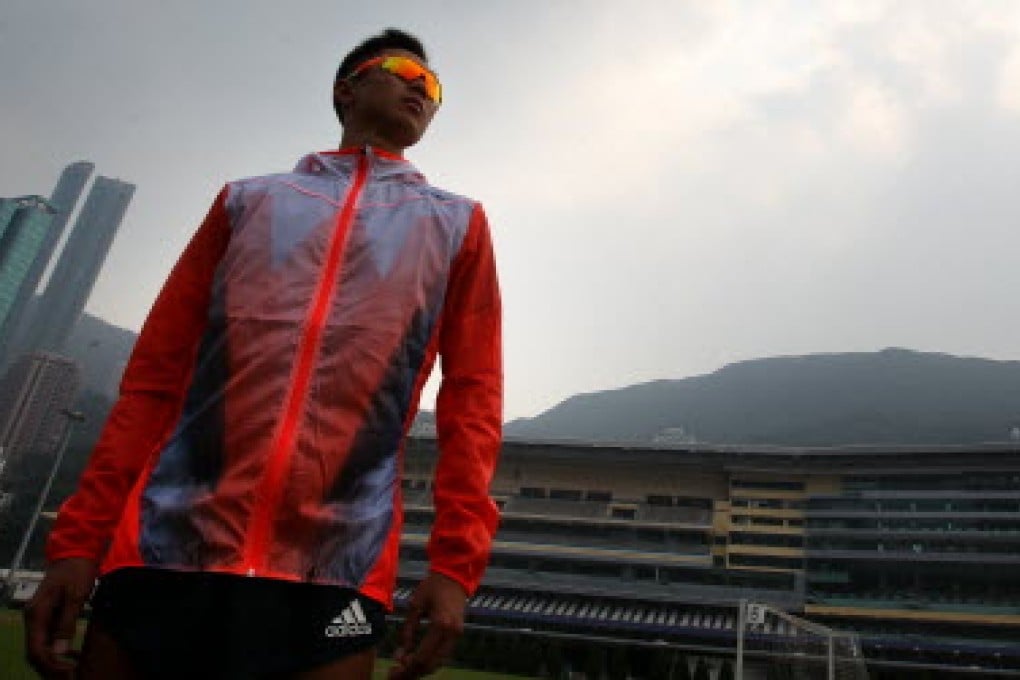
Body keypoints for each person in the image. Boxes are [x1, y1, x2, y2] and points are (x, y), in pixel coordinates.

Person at [24, 27, 502, 680]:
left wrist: (454, 565)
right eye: (402, 71)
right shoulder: (247, 201)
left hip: (337, 566)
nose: (421, 88)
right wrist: (78, 541)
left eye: (433, 86)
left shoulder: (457, 224)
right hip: (167, 548)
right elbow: (153, 384)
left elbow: (474, 400)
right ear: (348, 88)